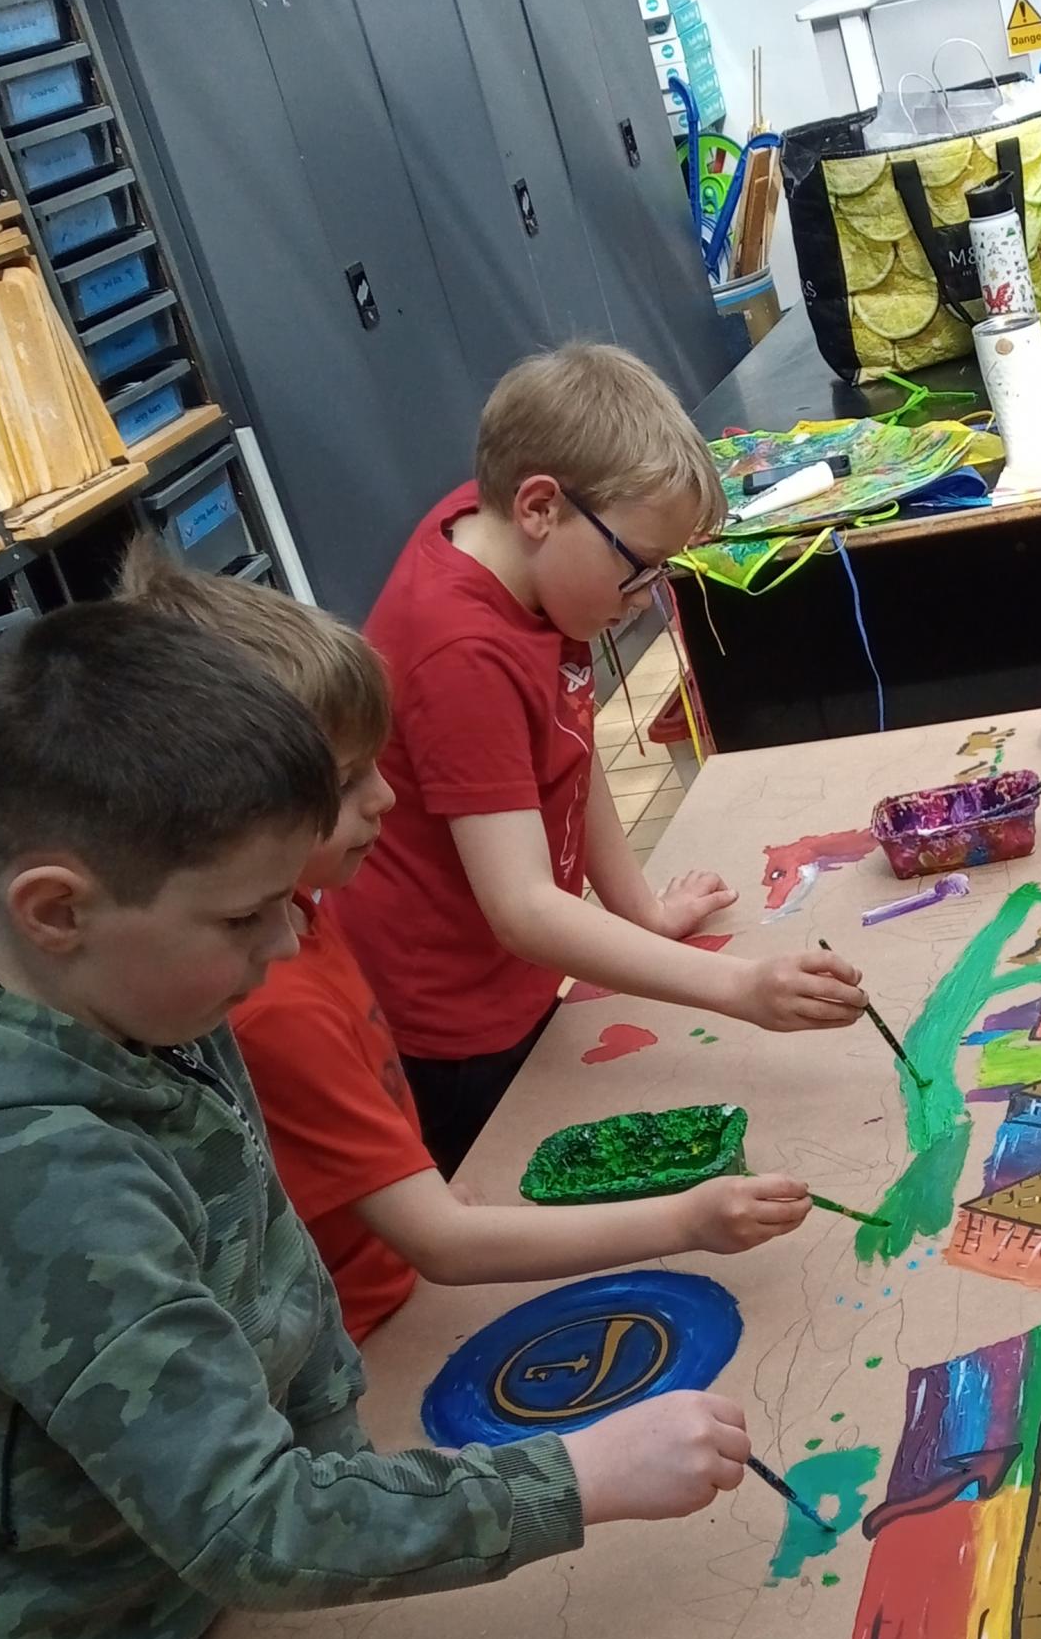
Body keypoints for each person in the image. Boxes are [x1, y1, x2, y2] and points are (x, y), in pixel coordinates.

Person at [0, 604, 756, 1639]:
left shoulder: (115, 996)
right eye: (250, 913)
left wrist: (345, 1484)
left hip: (175, 1607)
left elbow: (258, 1276)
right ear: (54, 907)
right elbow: (249, 1520)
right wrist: (572, 1478)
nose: (289, 946)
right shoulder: (23, 1181)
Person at [119, 540, 811, 1340]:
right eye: (346, 783)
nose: (385, 798)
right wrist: (688, 1222)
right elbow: (442, 1247)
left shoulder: (300, 912)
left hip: (403, 1273)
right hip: (375, 1334)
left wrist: (417, 1192)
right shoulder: (273, 995)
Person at [333, 342, 866, 1178]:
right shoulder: (459, 650)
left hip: (513, 979)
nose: (647, 595)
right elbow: (524, 909)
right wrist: (738, 989)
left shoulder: (521, 552)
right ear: (541, 505)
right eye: (637, 565)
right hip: (454, 1029)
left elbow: (567, 752)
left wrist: (641, 914)